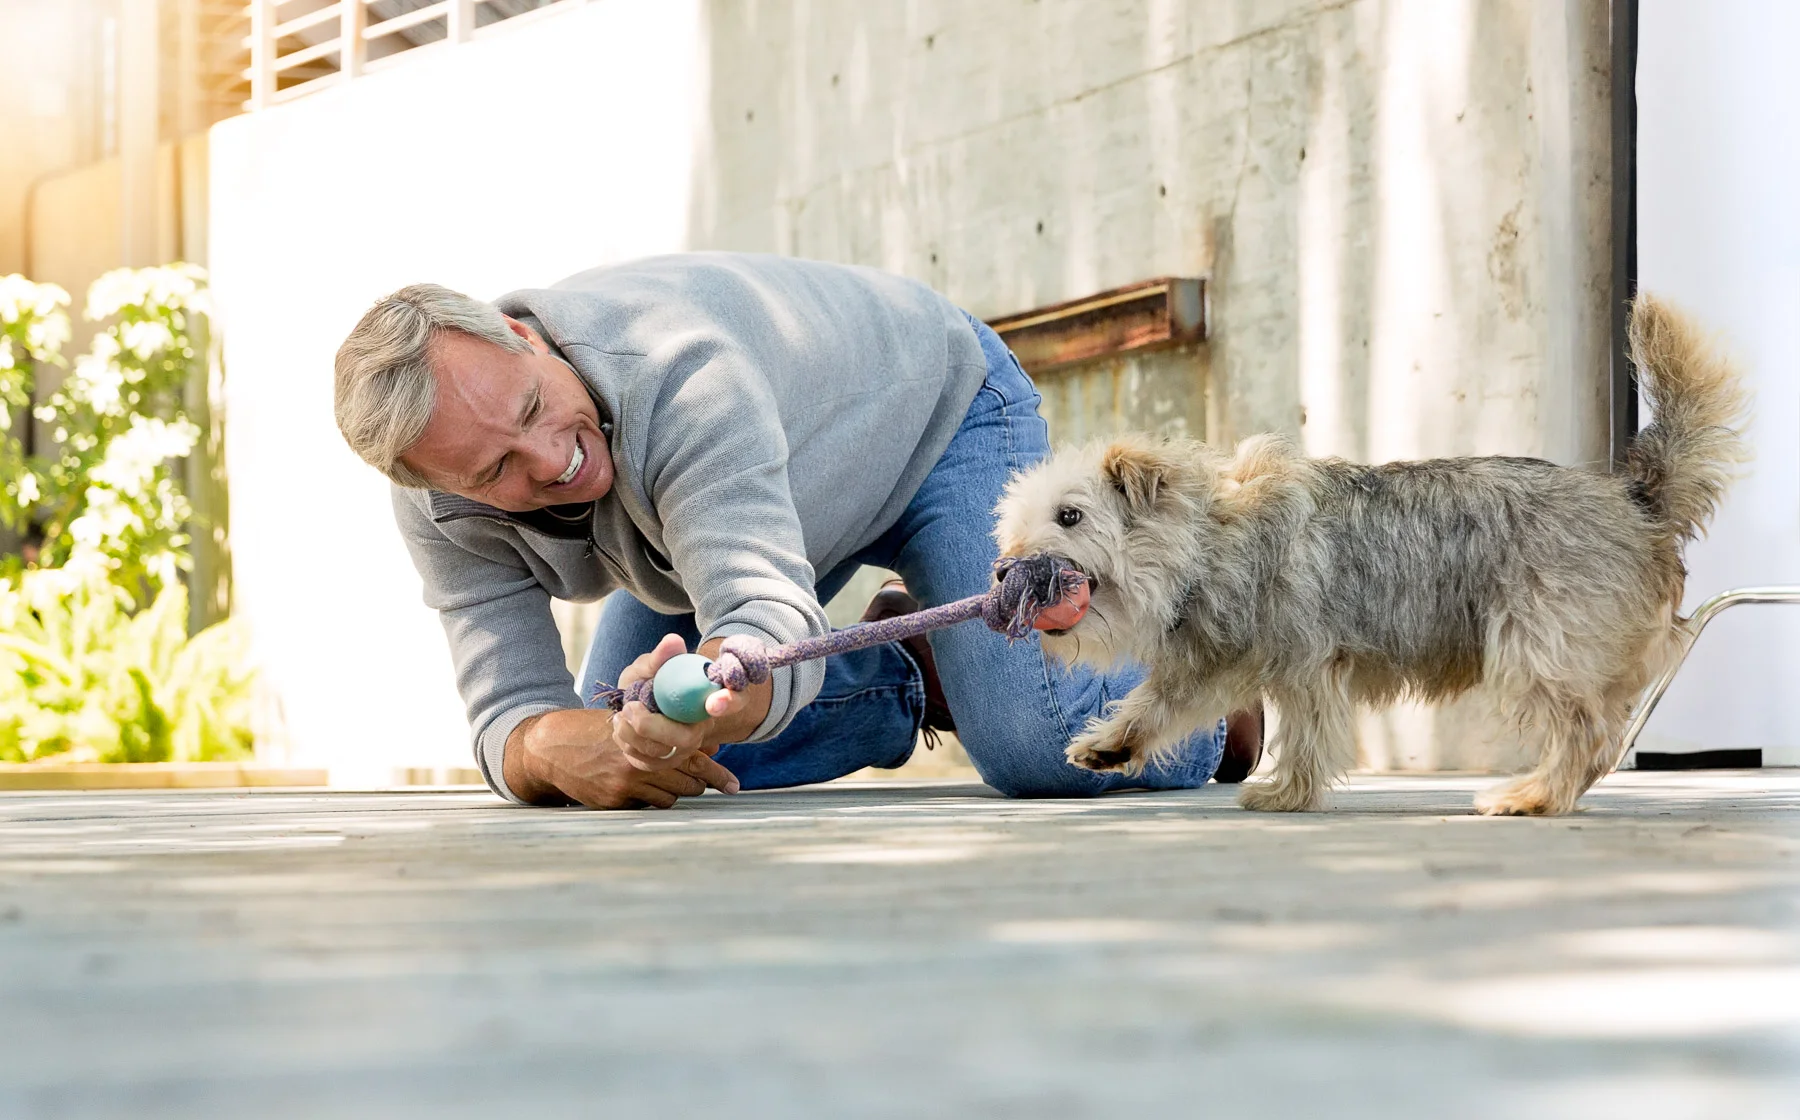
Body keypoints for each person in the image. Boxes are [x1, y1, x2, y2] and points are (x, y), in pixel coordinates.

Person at [332, 252, 1257, 809]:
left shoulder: (682, 376)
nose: (549, 462)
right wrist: (550, 750)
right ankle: (918, 670)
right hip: (776, 504)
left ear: (519, 336)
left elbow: (758, 613)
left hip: (936, 412)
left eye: (535, 408)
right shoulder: (436, 501)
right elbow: (512, 714)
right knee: (630, 747)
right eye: (495, 470)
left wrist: (737, 688)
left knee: (1035, 748)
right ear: (433, 487)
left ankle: (1212, 697)